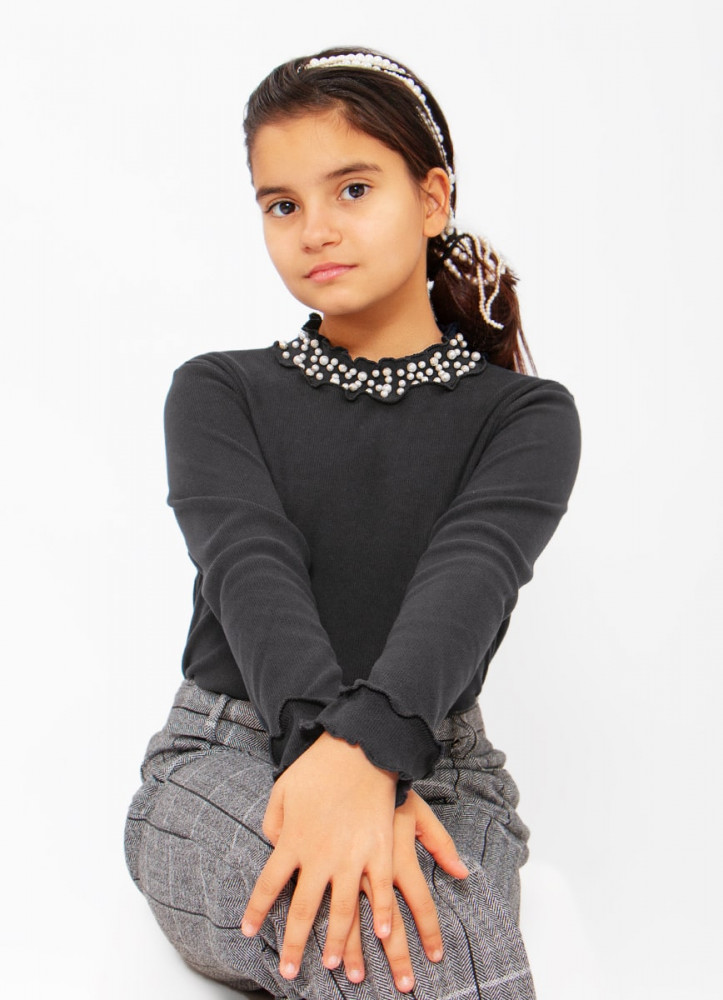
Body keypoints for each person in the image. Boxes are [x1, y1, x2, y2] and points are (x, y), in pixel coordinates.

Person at [123, 45, 582, 1000]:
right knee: (399, 949)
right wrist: (335, 765)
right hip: (228, 752)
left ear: (432, 199)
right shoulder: (218, 391)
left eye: (354, 189)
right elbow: (249, 566)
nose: (315, 230)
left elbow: (470, 576)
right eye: (281, 205)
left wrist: (372, 755)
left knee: (434, 950)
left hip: (441, 770)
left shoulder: (525, 417)